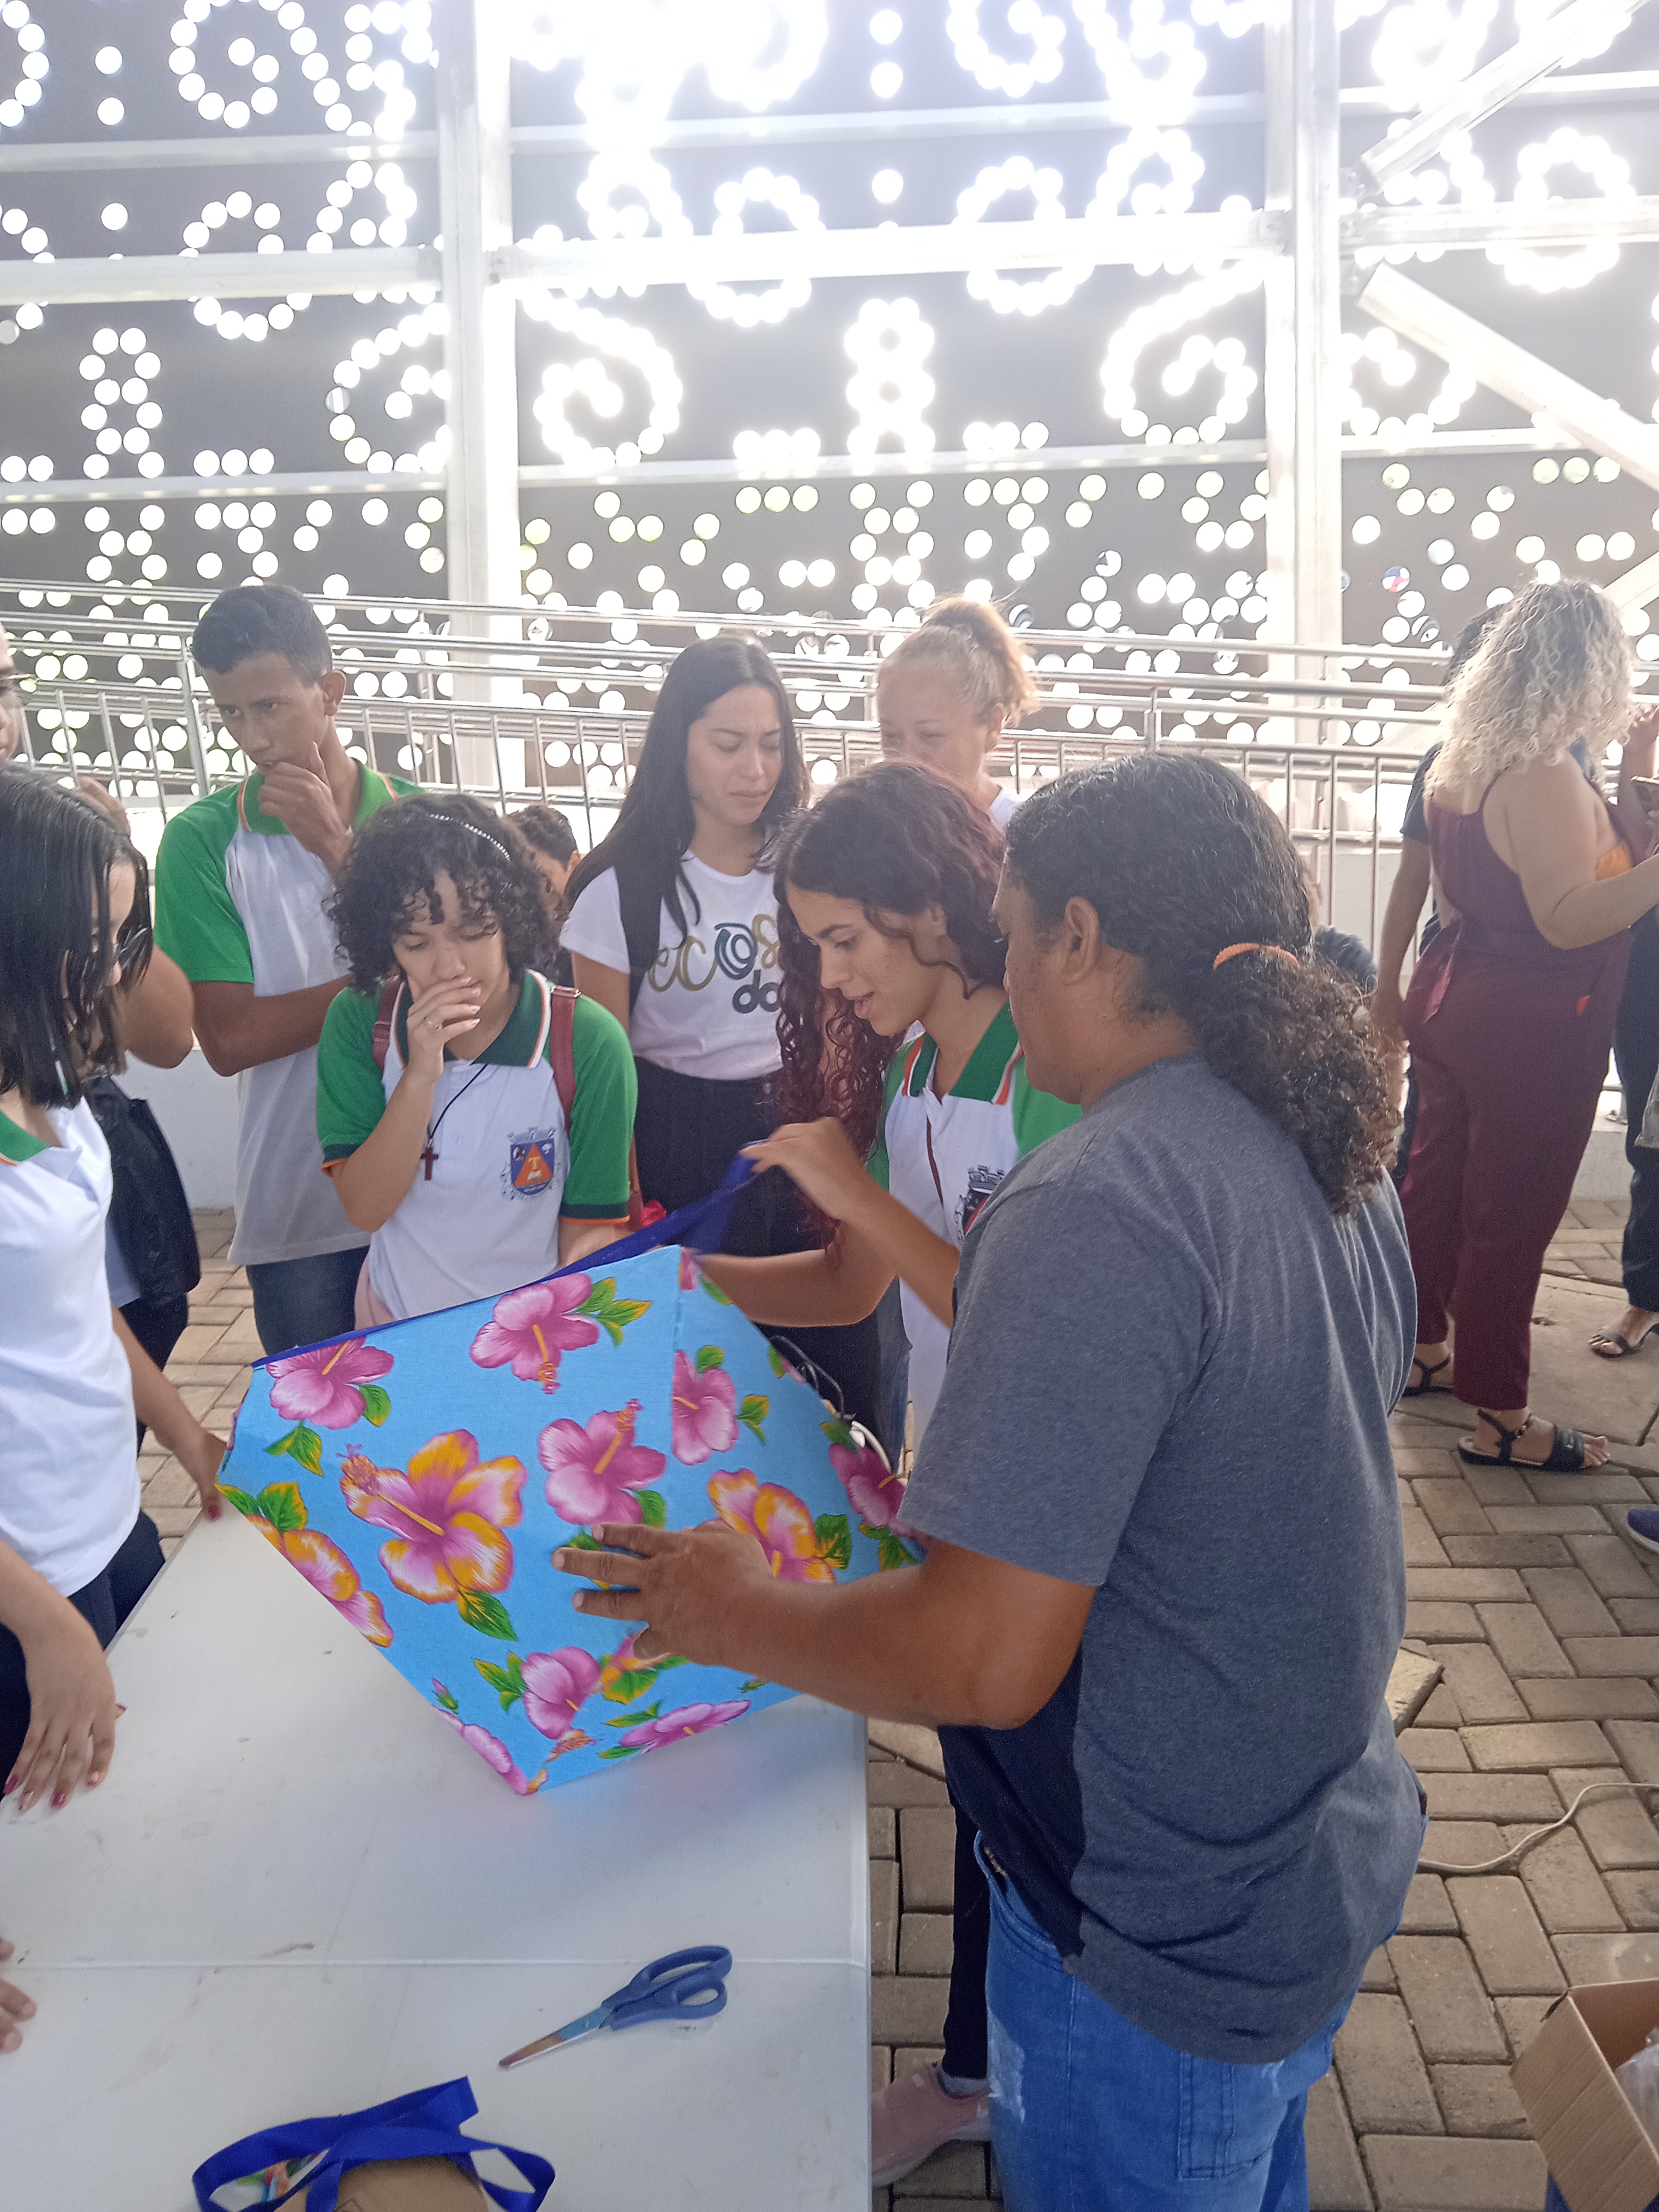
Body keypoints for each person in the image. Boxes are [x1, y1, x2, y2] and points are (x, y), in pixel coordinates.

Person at [552, 752, 1421, 2211]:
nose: (1001, 973)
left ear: (1078, 938)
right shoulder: (1322, 1129)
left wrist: (727, 1608)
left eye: (1012, 936)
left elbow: (984, 1659)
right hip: (1299, 1855)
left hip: (1148, 1930)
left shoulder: (1095, 1197)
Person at [694, 761, 1077, 2185]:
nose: (832, 977)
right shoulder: (917, 1068)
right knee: (989, 1793)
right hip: (966, 1481)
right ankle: (987, 2065)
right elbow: (854, 1284)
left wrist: (850, 1188)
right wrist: (685, 1282)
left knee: (1026, 1790)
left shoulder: (1049, 1070)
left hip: (1054, 1504)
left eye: (845, 939)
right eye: (813, 948)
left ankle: (994, 2070)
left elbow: (1021, 1307)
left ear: (931, 903)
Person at [559, 636, 881, 1430]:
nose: (755, 769)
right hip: (676, 1141)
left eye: (772, 744)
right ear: (679, 744)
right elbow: (602, 1069)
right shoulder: (618, 889)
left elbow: (842, 1018)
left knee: (830, 1375)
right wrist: (623, 1206)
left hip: (802, 1128)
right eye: (729, 744)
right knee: (695, 1385)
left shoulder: (809, 866)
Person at [0, 777, 228, 1815]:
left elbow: (75, 1304)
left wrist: (186, 1437)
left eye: (122, 935)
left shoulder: (42, 1068)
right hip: (25, 1588)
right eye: (91, 940)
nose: (111, 971)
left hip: (103, 1518)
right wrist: (40, 1623)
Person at [1400, 580, 1659, 1469]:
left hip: (1456, 994)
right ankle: (1501, 1418)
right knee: (1510, 1216)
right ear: (1592, 666)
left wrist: (1629, 779)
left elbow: (1468, 888)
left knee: (1437, 1189)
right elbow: (1568, 918)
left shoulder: (1463, 756)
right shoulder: (1542, 769)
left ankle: (1423, 1349)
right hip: (1532, 1021)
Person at [155, 584, 416, 1358]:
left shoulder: (424, 820)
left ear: (329, 692)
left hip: (437, 1187)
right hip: (298, 1206)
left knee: (446, 1420)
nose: (253, 737)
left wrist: (339, 852)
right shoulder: (202, 840)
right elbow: (230, 1038)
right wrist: (390, 979)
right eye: (230, 713)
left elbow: (474, 992)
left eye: (269, 706)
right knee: (320, 1425)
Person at [316, 793, 637, 1325]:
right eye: (416, 943)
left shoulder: (587, 1041)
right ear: (386, 941)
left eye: (471, 932)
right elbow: (366, 1208)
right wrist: (419, 1076)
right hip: (395, 1326)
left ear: (512, 917)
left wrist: (595, 1276)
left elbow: (588, 1228)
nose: (449, 967)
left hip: (529, 1340)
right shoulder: (361, 1022)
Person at [1375, 607, 1520, 1183]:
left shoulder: (1453, 760)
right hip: (1471, 976)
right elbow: (1412, 878)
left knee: (1439, 1147)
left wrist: (1390, 986)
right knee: (1437, 1146)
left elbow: (1411, 879)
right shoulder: (1448, 760)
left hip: (1464, 976)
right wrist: (1386, 987)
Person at [1591, 705, 1659, 1359]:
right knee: (1650, 1135)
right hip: (1651, 962)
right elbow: (1636, 839)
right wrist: (1637, 753)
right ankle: (1646, 1296)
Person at [876, 598, 1036, 830]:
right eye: (891, 736)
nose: (905, 757)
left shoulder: (1024, 834)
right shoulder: (867, 829)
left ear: (992, 727)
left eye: (930, 736)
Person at [510, 802, 581, 988]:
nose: (524, 893)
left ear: (574, 865)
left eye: (541, 879)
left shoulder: (586, 943)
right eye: (512, 879)